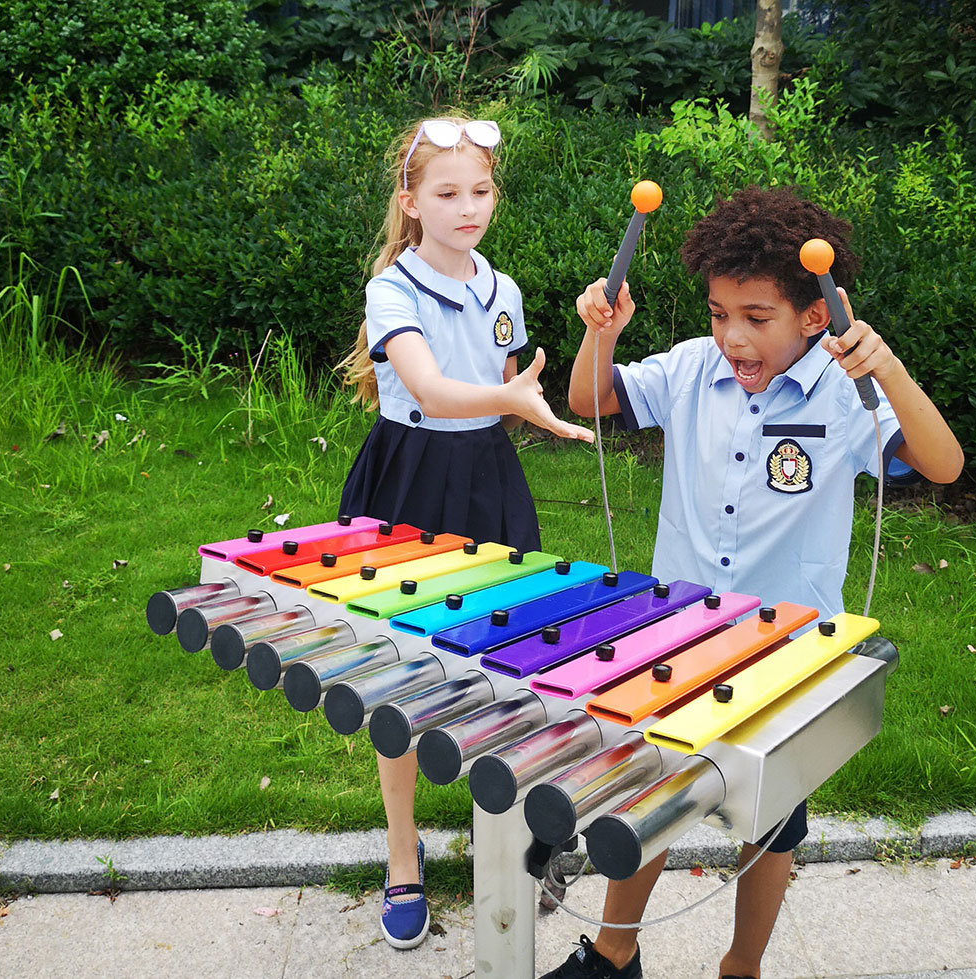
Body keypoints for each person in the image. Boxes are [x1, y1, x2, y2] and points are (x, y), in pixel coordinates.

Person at [545, 184, 964, 979]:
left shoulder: (846, 395)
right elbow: (585, 398)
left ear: (815, 315)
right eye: (717, 312)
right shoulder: (690, 369)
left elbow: (943, 464)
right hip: (676, 636)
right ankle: (612, 951)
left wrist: (889, 368)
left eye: (756, 317)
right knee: (650, 799)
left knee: (772, 822)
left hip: (790, 652)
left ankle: (743, 964)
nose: (732, 336)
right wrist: (603, 333)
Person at [336, 115, 592, 951]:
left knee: (509, 660)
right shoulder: (391, 293)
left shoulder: (504, 288)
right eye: (447, 192)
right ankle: (402, 852)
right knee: (401, 677)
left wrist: (535, 403)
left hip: (487, 478)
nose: (467, 206)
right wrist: (512, 400)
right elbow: (437, 392)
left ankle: (510, 836)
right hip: (408, 479)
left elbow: (505, 381)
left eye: (480, 190)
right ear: (410, 202)